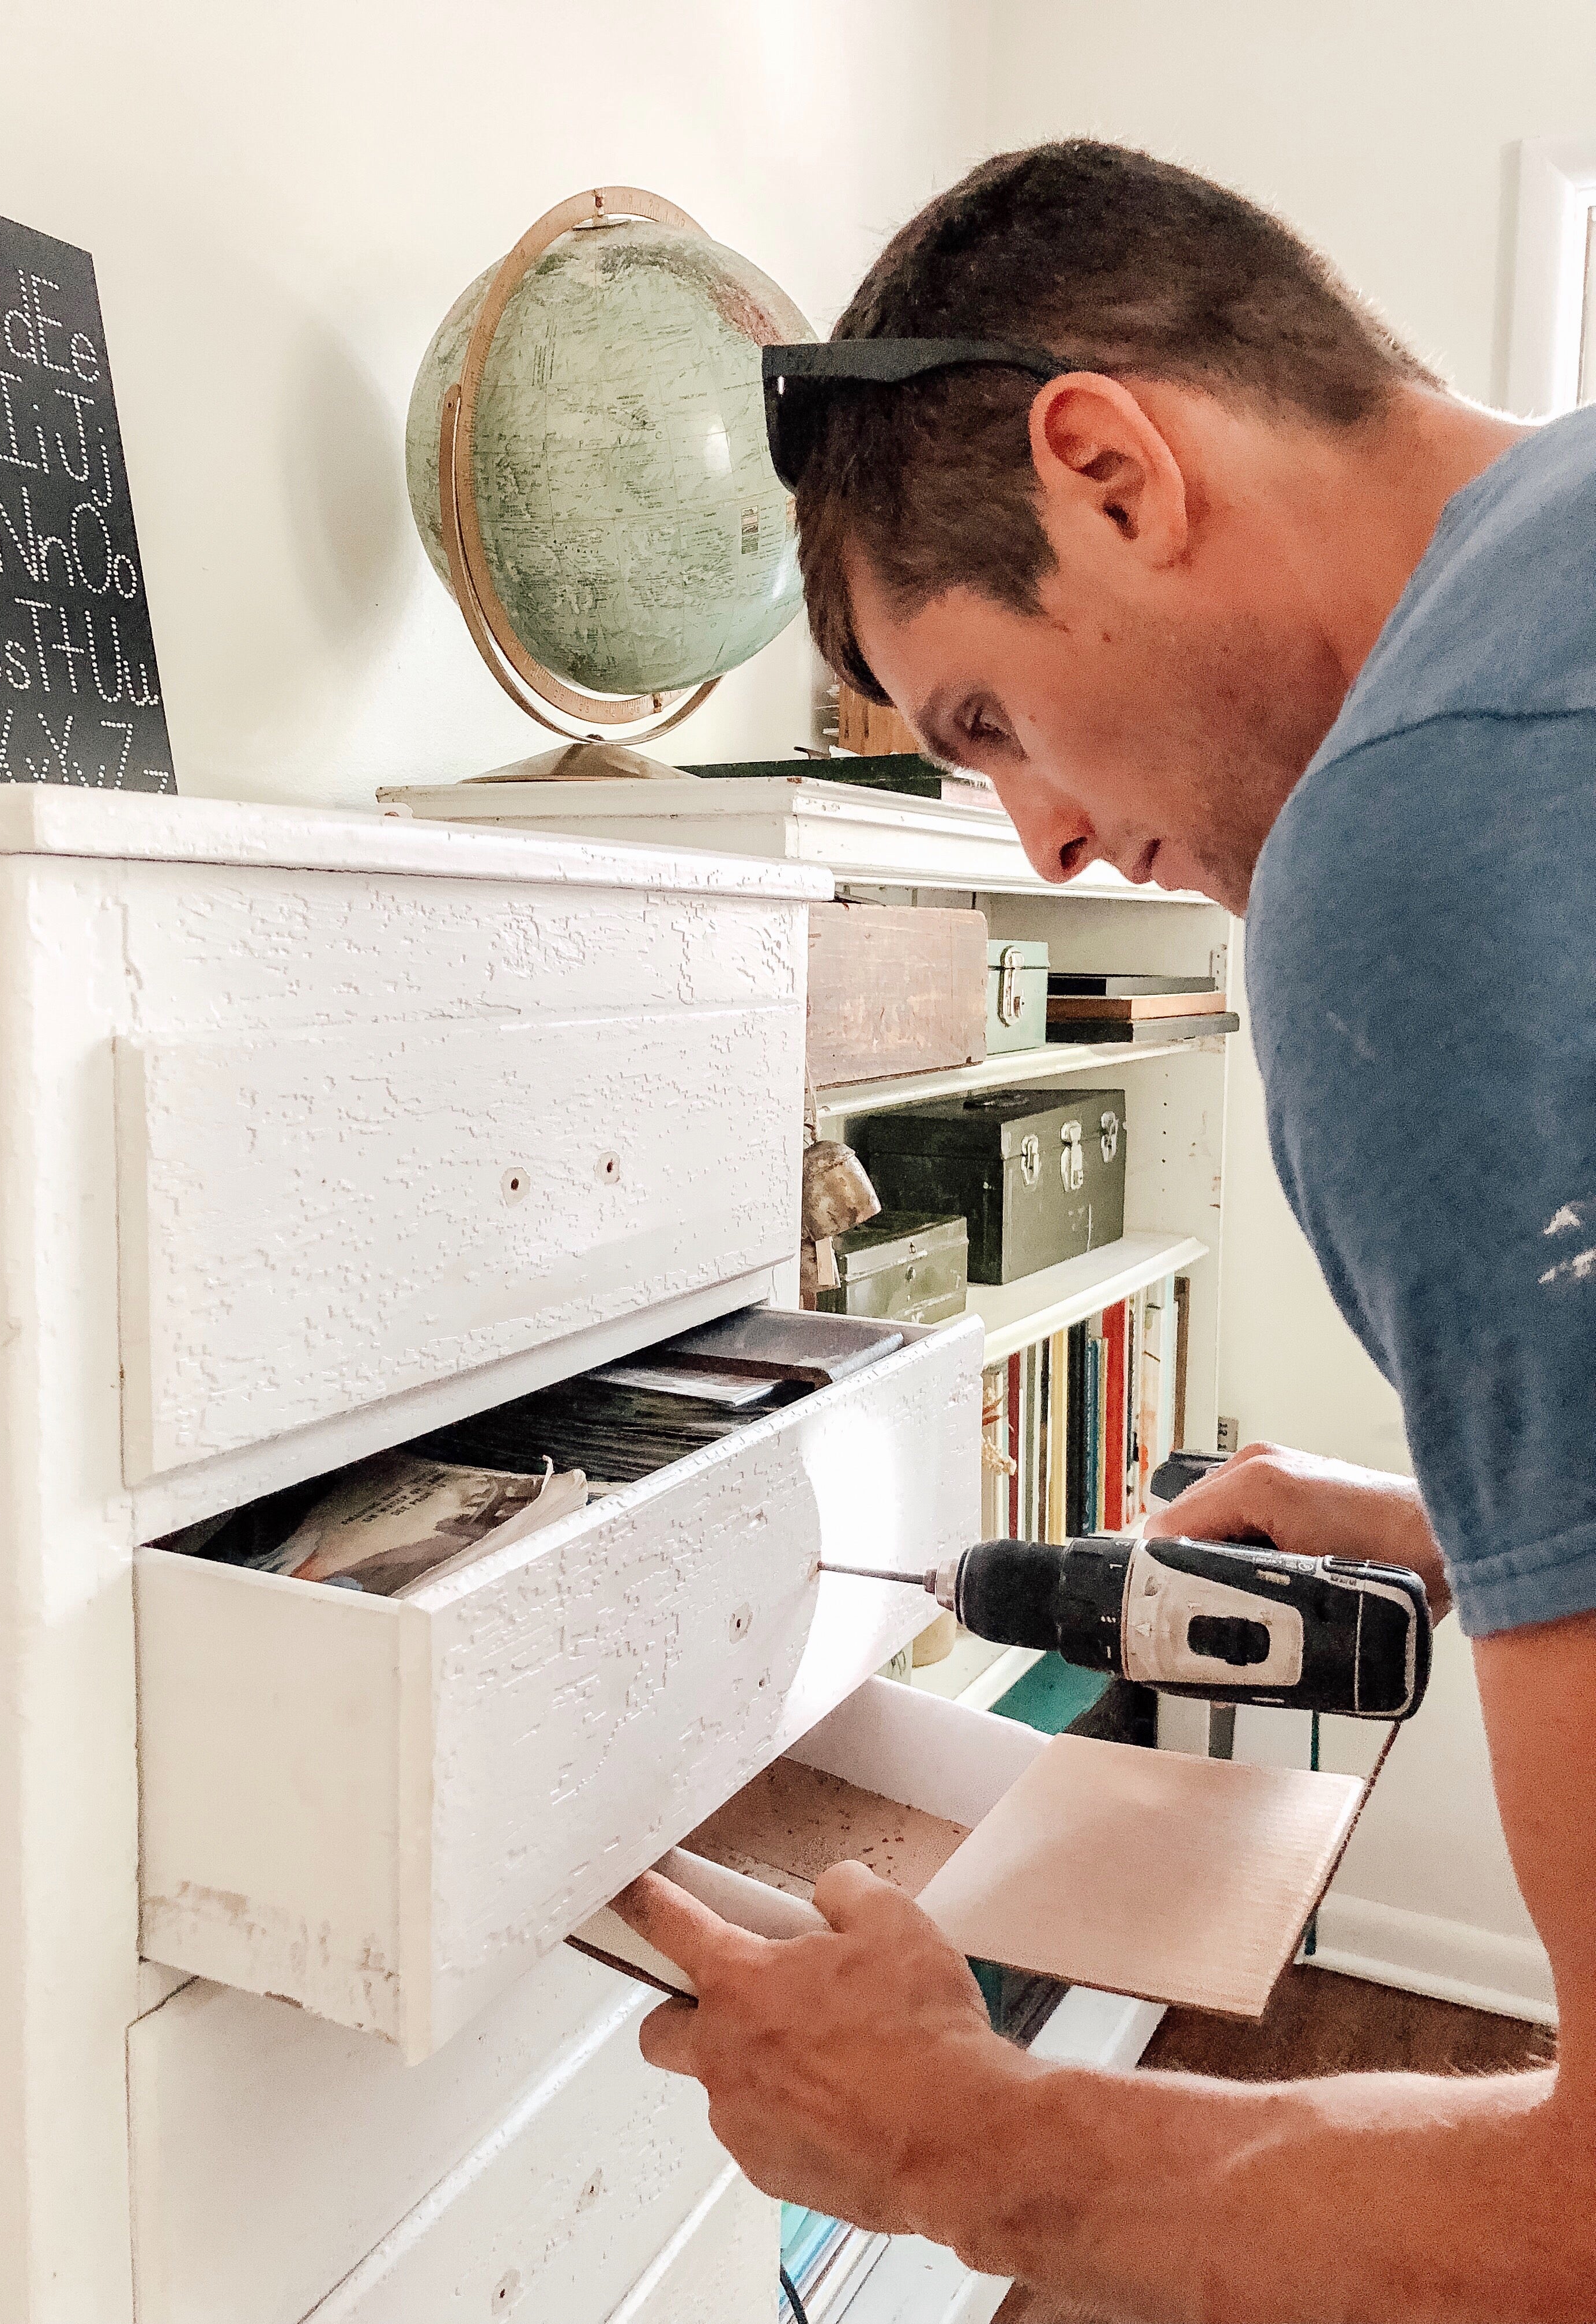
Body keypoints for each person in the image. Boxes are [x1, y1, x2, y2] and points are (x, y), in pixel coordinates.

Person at [616, 142, 1596, 2322]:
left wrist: (969, 2146)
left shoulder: (1427, 845)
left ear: (1109, 468)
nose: (1045, 826)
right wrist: (1485, 1511)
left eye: (982, 717)